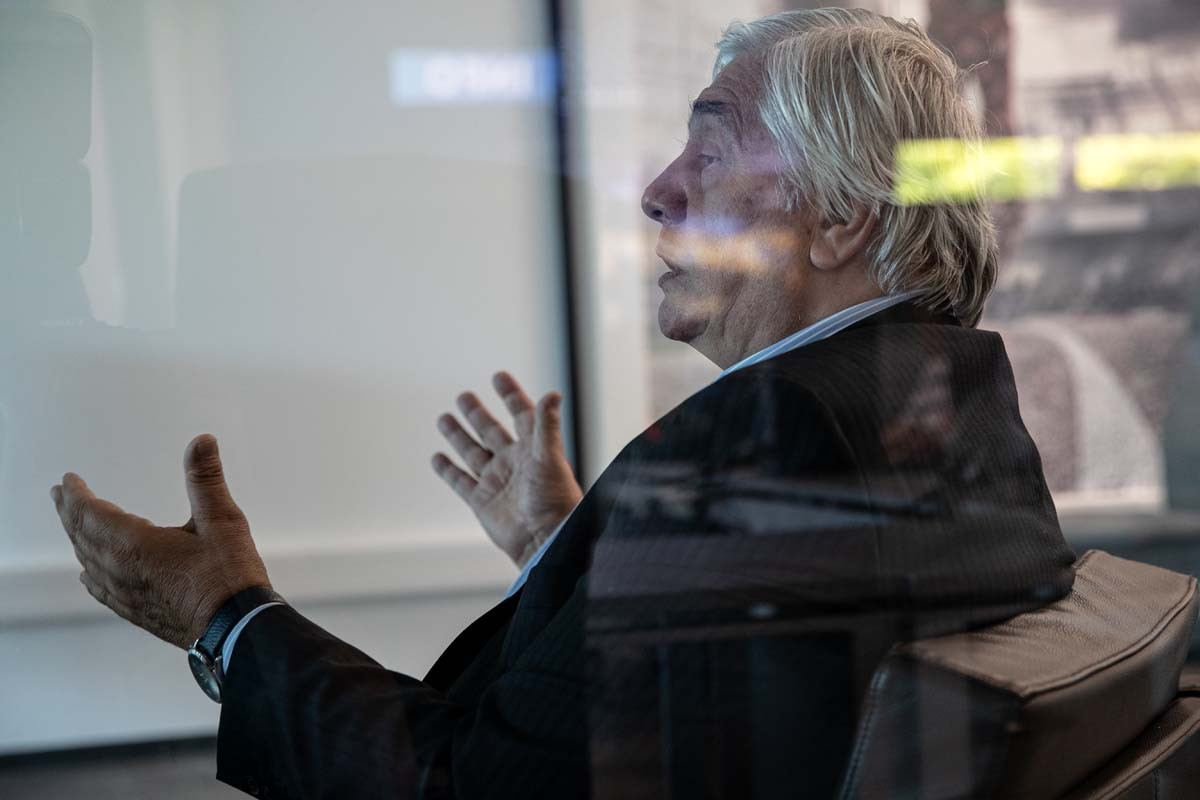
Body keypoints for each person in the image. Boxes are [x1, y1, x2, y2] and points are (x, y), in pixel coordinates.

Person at [50, 8, 1076, 798]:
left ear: (842, 215)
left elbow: (482, 788)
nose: (659, 190)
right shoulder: (955, 390)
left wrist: (225, 617)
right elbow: (752, 683)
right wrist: (567, 548)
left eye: (710, 152)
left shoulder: (770, 433)